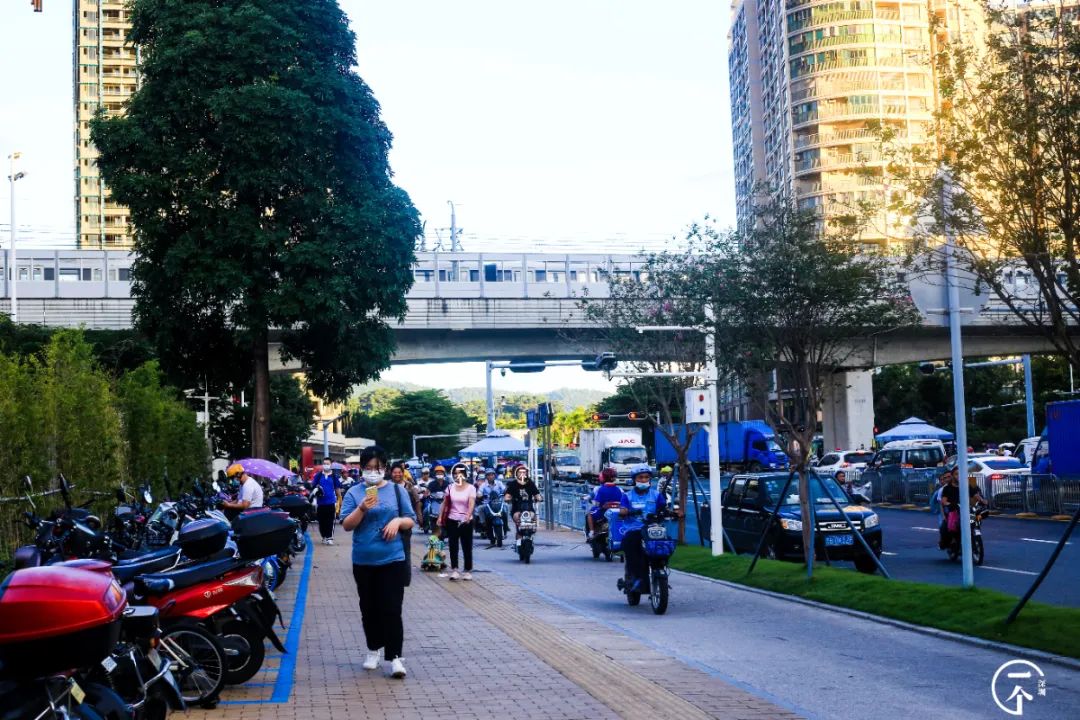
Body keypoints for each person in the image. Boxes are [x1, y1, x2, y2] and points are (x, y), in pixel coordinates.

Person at [339, 445, 415, 679]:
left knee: (391, 608)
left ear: (385, 468)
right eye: (369, 468)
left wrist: (397, 522)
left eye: (378, 467)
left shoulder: (396, 491)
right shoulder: (354, 492)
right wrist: (362, 508)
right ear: (362, 469)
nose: (374, 472)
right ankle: (373, 649)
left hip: (392, 558)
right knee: (369, 608)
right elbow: (346, 525)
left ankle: (395, 658)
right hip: (363, 560)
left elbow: (411, 520)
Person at [618, 464, 667, 593]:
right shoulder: (627, 496)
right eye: (640, 477)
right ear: (635, 479)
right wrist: (625, 512)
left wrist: (674, 513)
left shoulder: (656, 495)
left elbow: (664, 508)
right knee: (631, 546)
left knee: (664, 545)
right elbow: (622, 510)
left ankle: (660, 568)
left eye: (646, 477)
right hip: (634, 530)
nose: (644, 480)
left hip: (653, 529)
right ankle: (635, 577)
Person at [437, 463, 476, 580]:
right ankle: (455, 569)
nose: (457, 476)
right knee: (453, 545)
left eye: (459, 474)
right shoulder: (450, 488)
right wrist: (440, 517)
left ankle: (468, 570)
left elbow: (471, 503)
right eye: (455, 474)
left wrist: (468, 516)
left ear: (465, 475)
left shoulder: (471, 488)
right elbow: (444, 503)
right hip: (452, 520)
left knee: (466, 545)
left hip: (466, 521)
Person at [504, 465, 542, 549]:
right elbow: (507, 496)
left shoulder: (530, 483)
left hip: (529, 508)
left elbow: (537, 494)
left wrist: (538, 498)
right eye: (520, 472)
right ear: (516, 473)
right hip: (517, 508)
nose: (522, 474)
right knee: (518, 522)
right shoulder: (513, 484)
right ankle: (518, 542)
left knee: (533, 518)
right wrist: (508, 498)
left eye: (524, 472)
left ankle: (530, 537)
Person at [311, 458, 342, 545]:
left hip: (331, 502)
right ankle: (324, 536)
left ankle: (329, 537)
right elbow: (313, 486)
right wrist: (316, 489)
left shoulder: (334, 476)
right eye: (324, 463)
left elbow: (337, 488)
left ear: (331, 465)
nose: (326, 465)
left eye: (327, 463)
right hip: (320, 503)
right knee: (321, 521)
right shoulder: (319, 475)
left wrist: (340, 498)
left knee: (330, 520)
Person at [586, 468, 624, 540]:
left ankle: (591, 532)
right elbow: (622, 502)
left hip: (603, 512)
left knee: (589, 514)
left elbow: (597, 503)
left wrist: (593, 502)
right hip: (616, 512)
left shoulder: (601, 489)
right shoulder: (619, 489)